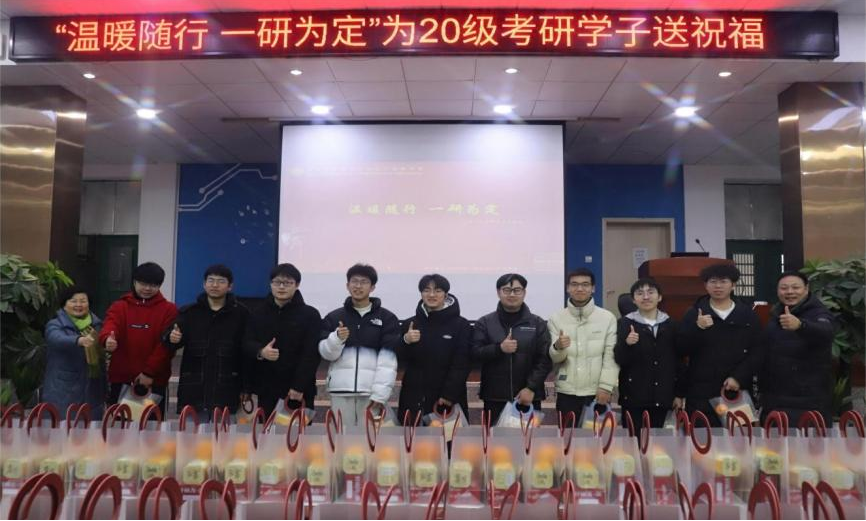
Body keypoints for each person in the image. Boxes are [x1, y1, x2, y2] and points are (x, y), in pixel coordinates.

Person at [677, 263, 763, 427]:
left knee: (738, 438)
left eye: (723, 281)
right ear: (705, 285)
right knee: (702, 438)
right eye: (713, 282)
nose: (718, 286)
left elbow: (758, 351)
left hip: (736, 390)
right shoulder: (694, 313)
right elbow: (681, 348)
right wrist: (697, 328)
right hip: (701, 393)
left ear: (733, 285)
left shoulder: (747, 315)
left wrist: (739, 377)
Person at [319, 264, 401, 427]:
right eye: (354, 281)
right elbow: (327, 354)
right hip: (341, 391)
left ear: (372, 287)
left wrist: (380, 394)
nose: (358, 286)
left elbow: (388, 360)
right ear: (347, 285)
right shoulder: (334, 317)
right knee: (341, 438)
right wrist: (337, 339)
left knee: (372, 439)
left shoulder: (387, 318)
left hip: (371, 394)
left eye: (363, 282)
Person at [165, 265, 250, 418]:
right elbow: (170, 339)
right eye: (211, 280)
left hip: (227, 387)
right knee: (190, 432)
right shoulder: (189, 312)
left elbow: (246, 351)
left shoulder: (242, 314)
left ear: (230, 286)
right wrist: (172, 338)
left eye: (221, 281)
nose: (215, 285)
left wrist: (246, 387)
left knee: (225, 432)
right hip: (194, 389)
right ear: (204, 284)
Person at [243, 263, 322, 417]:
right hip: (266, 388)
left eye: (287, 283)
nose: (281, 287)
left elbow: (311, 353)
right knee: (266, 431)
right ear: (270, 284)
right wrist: (261, 351)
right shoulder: (258, 313)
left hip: (298, 391)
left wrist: (299, 386)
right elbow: (246, 342)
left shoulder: (310, 314)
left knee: (299, 432)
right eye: (277, 282)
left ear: (297, 285)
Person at [99, 262, 177, 415]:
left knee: (150, 425)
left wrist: (149, 373)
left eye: (153, 285)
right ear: (134, 282)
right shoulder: (120, 306)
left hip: (153, 381)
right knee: (121, 424)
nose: (147, 289)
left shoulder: (169, 309)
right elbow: (110, 325)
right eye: (143, 284)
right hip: (122, 379)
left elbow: (166, 346)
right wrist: (107, 339)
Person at [472, 273, 551, 423]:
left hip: (528, 397)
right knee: (495, 438)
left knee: (528, 438)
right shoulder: (485, 322)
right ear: (498, 292)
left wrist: (531, 388)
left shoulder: (537, 323)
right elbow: (475, 353)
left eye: (517, 290)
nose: (512, 294)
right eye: (507, 290)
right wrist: (499, 349)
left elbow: (545, 359)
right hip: (495, 396)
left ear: (524, 293)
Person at [760, 271, 835, 426]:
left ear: (806, 289)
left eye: (795, 287)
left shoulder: (819, 313)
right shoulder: (776, 314)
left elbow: (826, 332)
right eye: (784, 288)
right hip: (775, 398)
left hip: (808, 400)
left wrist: (801, 325)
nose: (789, 292)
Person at [397, 274, 472, 423]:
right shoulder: (410, 324)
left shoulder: (461, 325)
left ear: (446, 295)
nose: (431, 295)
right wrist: (406, 341)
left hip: (445, 399)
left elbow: (462, 363)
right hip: (413, 396)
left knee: (448, 437)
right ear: (421, 294)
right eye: (426, 290)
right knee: (412, 436)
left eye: (437, 291)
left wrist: (449, 394)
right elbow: (400, 358)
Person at [547, 268, 618, 419]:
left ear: (593, 288)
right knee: (567, 433)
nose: (579, 288)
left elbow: (611, 356)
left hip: (597, 391)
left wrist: (606, 386)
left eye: (585, 284)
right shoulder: (556, 318)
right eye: (574, 284)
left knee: (598, 434)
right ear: (568, 288)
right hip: (567, 391)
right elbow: (556, 359)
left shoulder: (607, 318)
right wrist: (558, 347)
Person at [614, 278, 684, 430]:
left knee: (661, 442)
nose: (646, 297)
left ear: (659, 297)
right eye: (640, 293)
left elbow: (679, 361)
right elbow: (619, 359)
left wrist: (679, 394)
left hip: (664, 396)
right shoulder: (624, 323)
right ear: (634, 299)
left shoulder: (671, 324)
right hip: (633, 397)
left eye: (650, 292)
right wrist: (627, 344)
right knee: (633, 441)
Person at [43, 286, 105, 416]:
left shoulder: (97, 325)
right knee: (64, 425)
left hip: (92, 388)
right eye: (73, 301)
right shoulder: (55, 324)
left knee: (91, 426)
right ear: (64, 305)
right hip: (63, 390)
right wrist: (78, 340)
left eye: (83, 301)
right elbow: (56, 339)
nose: (78, 305)